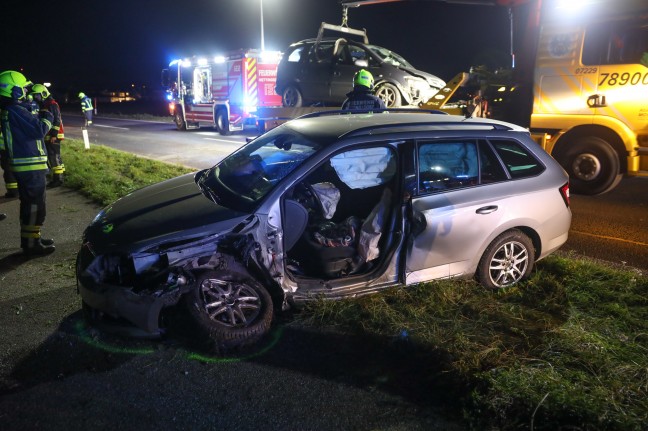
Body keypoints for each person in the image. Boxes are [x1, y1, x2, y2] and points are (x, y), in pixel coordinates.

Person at [0, 70, 55, 255]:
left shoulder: (13, 110)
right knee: (34, 206)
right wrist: (48, 115)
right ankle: (31, 245)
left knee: (31, 204)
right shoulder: (15, 110)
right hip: (29, 165)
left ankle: (32, 238)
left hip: (27, 164)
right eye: (23, 88)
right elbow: (39, 129)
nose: (26, 91)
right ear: (14, 91)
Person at [31, 84, 65, 187]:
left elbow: (57, 120)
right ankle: (60, 176)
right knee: (54, 156)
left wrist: (54, 134)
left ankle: (58, 180)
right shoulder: (45, 104)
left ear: (44, 94)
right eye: (35, 95)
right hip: (49, 135)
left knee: (53, 157)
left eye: (37, 95)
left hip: (54, 135)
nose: (36, 98)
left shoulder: (52, 104)